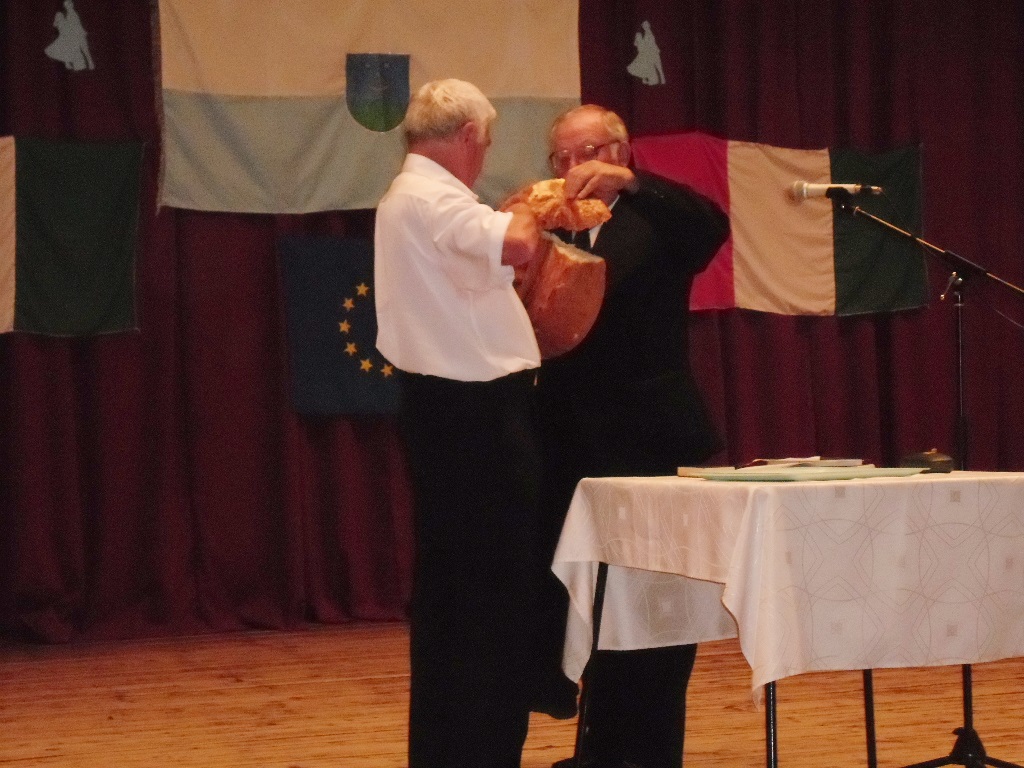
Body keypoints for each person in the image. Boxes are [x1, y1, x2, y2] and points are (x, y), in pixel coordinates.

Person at [533, 104, 730, 768]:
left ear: (619, 153)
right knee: (587, 606)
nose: (573, 168)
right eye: (561, 157)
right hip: (567, 442)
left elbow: (712, 226)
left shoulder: (657, 216)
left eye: (586, 152)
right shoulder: (549, 224)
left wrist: (636, 185)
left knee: (653, 611)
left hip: (647, 440)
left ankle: (648, 753)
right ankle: (596, 748)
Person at [374, 79, 547, 768]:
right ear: (469, 135)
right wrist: (530, 204)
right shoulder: (432, 196)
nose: (484, 157)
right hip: (476, 417)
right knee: (492, 595)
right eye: (487, 143)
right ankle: (481, 749)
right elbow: (521, 244)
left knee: (455, 595)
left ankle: (451, 748)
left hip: (449, 412)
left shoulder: (413, 197)